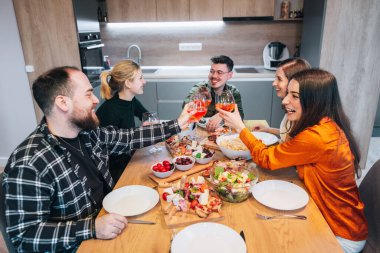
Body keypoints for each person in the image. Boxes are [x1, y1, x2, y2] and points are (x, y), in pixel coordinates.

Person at [2, 66, 194, 252]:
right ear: (62, 102)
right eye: (87, 94)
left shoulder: (88, 133)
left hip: (111, 219)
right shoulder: (29, 163)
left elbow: (128, 137)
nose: (96, 99)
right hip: (81, 243)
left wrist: (178, 123)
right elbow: (24, 236)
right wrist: (92, 227)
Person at [217, 69, 368, 253]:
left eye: (294, 96)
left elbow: (267, 158)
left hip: (340, 234)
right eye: (288, 93)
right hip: (328, 217)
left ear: (315, 101)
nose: (285, 100)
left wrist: (240, 126)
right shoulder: (324, 125)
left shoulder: (317, 136)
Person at [96, 60, 148, 182]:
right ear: (128, 83)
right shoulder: (110, 110)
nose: (144, 81)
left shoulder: (131, 101)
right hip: (114, 170)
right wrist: (141, 132)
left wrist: (148, 123)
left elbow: (146, 116)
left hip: (127, 157)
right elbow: (113, 149)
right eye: (140, 78)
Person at [254, 58, 311, 142]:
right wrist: (268, 129)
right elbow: (288, 134)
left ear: (294, 81)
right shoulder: (292, 107)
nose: (274, 83)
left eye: (279, 79)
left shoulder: (300, 114)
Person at [183, 55, 244, 132]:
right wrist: (197, 100)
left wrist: (221, 115)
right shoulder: (200, 88)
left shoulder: (233, 92)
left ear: (229, 75)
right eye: (212, 71)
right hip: (200, 130)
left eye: (219, 72)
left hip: (224, 131)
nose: (214, 76)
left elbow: (240, 117)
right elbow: (185, 107)